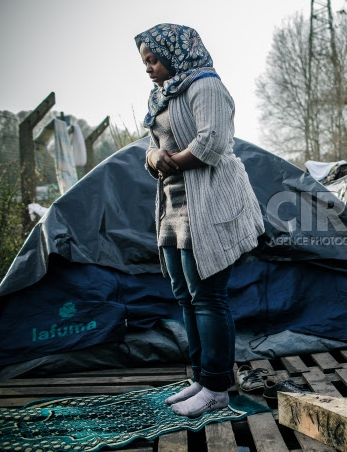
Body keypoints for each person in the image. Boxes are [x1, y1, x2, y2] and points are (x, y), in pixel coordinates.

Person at [135, 23, 265, 417]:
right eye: (144, 62)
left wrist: (167, 160)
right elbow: (154, 146)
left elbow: (212, 143)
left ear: (174, 53)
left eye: (153, 59)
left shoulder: (205, 86)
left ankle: (217, 386)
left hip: (208, 202)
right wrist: (152, 157)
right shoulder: (163, 93)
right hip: (175, 205)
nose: (148, 68)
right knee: (185, 294)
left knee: (208, 297)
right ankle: (201, 377)